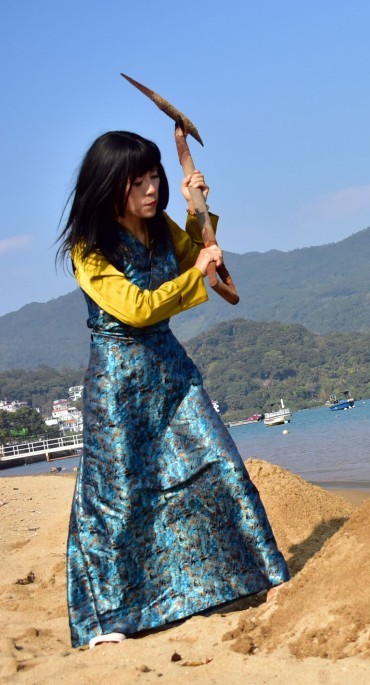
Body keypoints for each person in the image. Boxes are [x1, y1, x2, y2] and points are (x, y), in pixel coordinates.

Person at [56, 131, 289, 649]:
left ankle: (263, 575)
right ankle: (108, 621)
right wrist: (200, 272)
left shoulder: (159, 226)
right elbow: (138, 307)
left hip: (171, 371)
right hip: (120, 387)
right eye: (136, 181)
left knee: (219, 461)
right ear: (108, 186)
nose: (149, 189)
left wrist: (196, 207)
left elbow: (194, 257)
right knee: (121, 499)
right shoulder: (88, 250)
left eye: (154, 176)